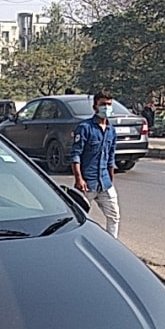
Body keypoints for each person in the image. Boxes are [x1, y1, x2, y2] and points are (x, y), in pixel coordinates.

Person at [70, 91, 121, 239]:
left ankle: (112, 245)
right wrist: (79, 179)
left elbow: (111, 158)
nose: (106, 107)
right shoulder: (85, 128)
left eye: (109, 104)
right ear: (95, 107)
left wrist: (110, 180)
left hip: (104, 183)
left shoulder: (111, 131)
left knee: (114, 216)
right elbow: (76, 155)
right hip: (87, 183)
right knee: (78, 218)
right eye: (103, 104)